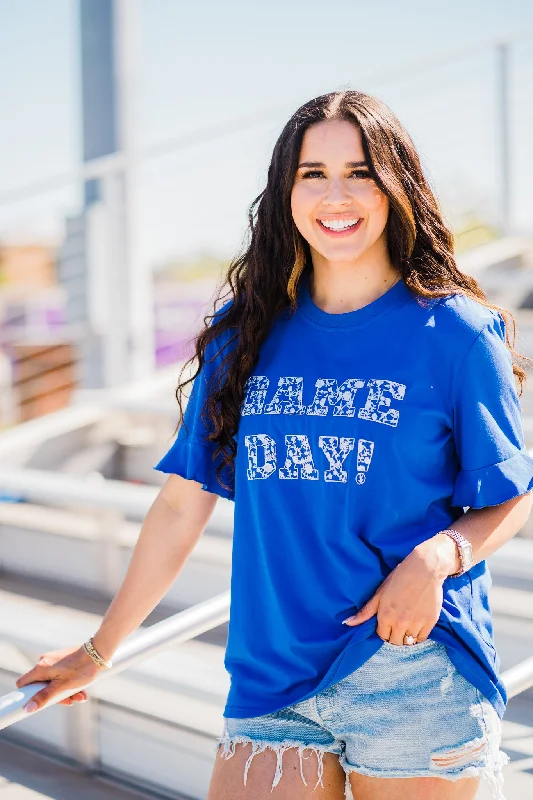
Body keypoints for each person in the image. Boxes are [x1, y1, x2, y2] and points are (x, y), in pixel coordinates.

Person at [15, 91, 533, 800]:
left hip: (413, 671)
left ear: (395, 185)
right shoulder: (246, 334)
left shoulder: (456, 335)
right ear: (284, 192)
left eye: (359, 171)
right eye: (311, 173)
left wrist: (436, 558)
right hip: (270, 674)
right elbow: (178, 506)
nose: (335, 194)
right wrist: (98, 651)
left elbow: (508, 497)